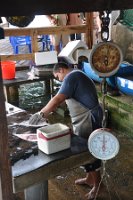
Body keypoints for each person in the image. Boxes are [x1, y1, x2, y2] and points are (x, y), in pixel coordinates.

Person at [29, 62, 103, 199]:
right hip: (84, 117)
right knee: (84, 149)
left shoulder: (71, 77)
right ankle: (90, 178)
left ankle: (98, 185)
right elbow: (68, 97)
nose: (59, 80)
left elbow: (57, 99)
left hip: (88, 117)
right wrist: (51, 110)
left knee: (90, 150)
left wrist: (41, 114)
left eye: (58, 77)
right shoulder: (77, 74)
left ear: (61, 70)